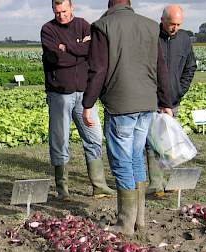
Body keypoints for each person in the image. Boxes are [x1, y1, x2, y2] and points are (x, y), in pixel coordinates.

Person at [82, 0, 172, 235]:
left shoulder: (103, 26)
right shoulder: (152, 26)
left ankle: (124, 223)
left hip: (121, 105)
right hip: (147, 104)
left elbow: (98, 69)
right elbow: (161, 66)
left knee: (122, 161)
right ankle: (139, 220)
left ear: (110, 3)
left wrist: (87, 103)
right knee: (135, 157)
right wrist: (165, 102)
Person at [41, 0, 116, 200]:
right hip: (59, 94)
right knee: (60, 139)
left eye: (64, 11)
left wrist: (67, 48)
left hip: (84, 94)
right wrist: (77, 50)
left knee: (93, 137)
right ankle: (62, 188)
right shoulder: (48, 30)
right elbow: (56, 58)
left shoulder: (85, 25)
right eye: (57, 12)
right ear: (53, 10)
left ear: (71, 7)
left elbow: (90, 52)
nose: (61, 15)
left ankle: (99, 185)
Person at [147, 4, 197, 196]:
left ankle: (170, 180)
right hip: (152, 100)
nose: (175, 27)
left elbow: (190, 67)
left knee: (171, 141)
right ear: (162, 20)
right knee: (153, 142)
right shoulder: (152, 37)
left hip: (174, 99)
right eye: (171, 23)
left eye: (178, 24)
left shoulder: (184, 39)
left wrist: (180, 90)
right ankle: (156, 183)